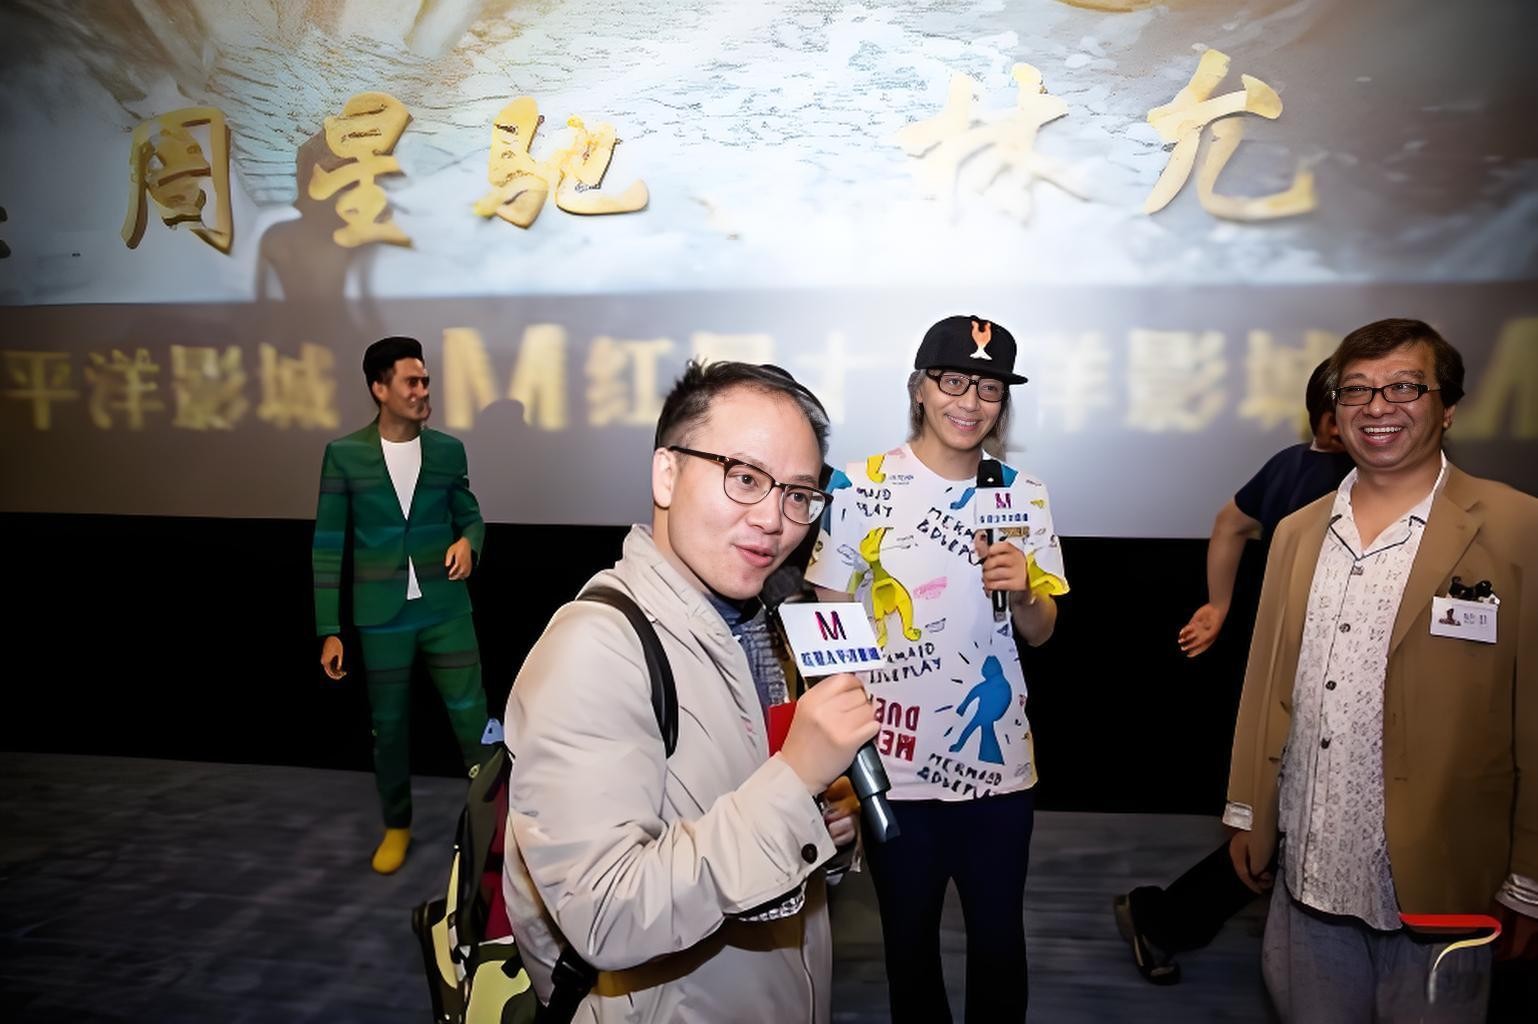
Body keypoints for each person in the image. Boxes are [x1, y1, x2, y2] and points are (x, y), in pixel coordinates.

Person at [500, 361, 876, 1022]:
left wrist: (827, 828)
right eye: (746, 478)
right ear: (666, 475)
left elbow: (754, 825)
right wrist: (795, 785)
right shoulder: (594, 649)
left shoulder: (766, 627)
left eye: (798, 494)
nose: (774, 520)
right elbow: (606, 914)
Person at [1226, 318, 1537, 1021]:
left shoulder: (1519, 529)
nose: (1376, 407)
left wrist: (1529, 878)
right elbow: (1265, 684)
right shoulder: (1298, 532)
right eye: (1356, 390)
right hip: (1309, 873)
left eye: (1404, 387)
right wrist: (1246, 809)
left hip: (1444, 880)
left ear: (1447, 407)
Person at [805, 315, 1067, 1023]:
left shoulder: (1022, 492)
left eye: (989, 388)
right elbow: (831, 630)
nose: (970, 402)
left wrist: (1026, 591)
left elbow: (1041, 632)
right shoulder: (858, 486)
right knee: (909, 948)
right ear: (919, 388)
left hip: (999, 769)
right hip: (894, 768)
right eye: (954, 381)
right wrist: (841, 763)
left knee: (1000, 946)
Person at [1114, 358, 1353, 983]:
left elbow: (1230, 524)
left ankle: (1162, 920)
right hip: (1301, 669)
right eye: (1340, 410)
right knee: (1279, 827)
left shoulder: (1343, 470)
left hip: (1333, 668)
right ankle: (1163, 921)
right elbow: (1232, 523)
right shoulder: (1306, 471)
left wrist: (1221, 604)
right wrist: (1218, 606)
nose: (1354, 423)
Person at [311, 335, 492, 874]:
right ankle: (397, 826)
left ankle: (494, 826)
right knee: (388, 728)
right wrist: (329, 627)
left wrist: (469, 543)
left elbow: (471, 516)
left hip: (446, 608)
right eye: (411, 382)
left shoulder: (448, 450)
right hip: (380, 615)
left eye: (425, 381)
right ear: (379, 388)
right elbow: (328, 544)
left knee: (475, 721)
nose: (422, 390)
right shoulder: (344, 455)